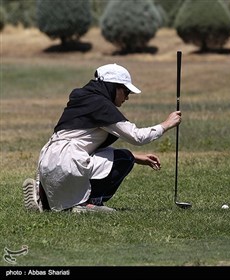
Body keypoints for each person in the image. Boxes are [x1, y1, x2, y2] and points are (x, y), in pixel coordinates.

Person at [22, 63, 181, 213]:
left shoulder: (82, 98)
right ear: (113, 87)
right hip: (68, 162)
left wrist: (136, 157)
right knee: (124, 159)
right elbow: (137, 137)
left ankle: (43, 196)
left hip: (47, 162)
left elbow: (87, 144)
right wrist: (167, 124)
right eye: (125, 92)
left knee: (126, 156)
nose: (127, 98)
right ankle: (89, 203)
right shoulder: (101, 105)